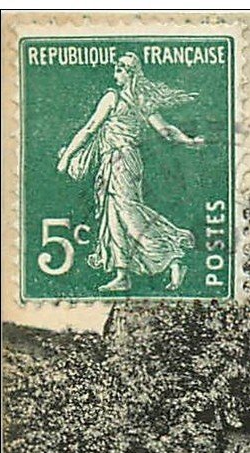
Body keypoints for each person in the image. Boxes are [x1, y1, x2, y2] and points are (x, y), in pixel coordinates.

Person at [56, 52, 203, 292]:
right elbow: (165, 130)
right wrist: (189, 141)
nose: (117, 71)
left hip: (120, 161)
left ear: (130, 73)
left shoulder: (112, 98)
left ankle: (172, 254)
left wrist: (67, 156)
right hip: (121, 161)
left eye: (121, 67)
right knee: (113, 215)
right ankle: (122, 273)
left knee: (128, 213)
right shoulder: (141, 100)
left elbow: (90, 128)